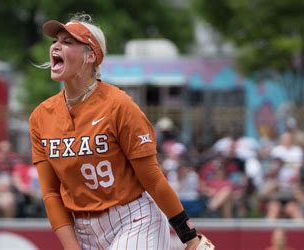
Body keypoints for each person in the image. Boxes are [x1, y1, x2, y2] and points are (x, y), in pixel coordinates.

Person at [29, 13, 214, 249]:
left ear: (91, 56)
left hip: (134, 219)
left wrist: (189, 236)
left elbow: (151, 178)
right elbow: (51, 194)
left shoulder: (119, 105)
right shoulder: (41, 116)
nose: (56, 45)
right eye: (55, 41)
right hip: (83, 229)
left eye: (68, 42)